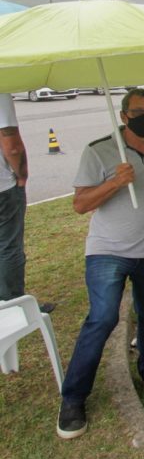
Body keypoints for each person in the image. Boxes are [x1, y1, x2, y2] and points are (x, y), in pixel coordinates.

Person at [58, 88, 144, 439]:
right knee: (103, 317)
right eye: (140, 111)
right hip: (108, 250)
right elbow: (80, 204)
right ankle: (74, 397)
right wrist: (115, 182)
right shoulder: (99, 150)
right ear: (124, 115)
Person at [0, 94, 56, 314]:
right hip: (3, 188)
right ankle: (13, 305)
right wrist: (21, 175)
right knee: (8, 246)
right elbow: (11, 144)